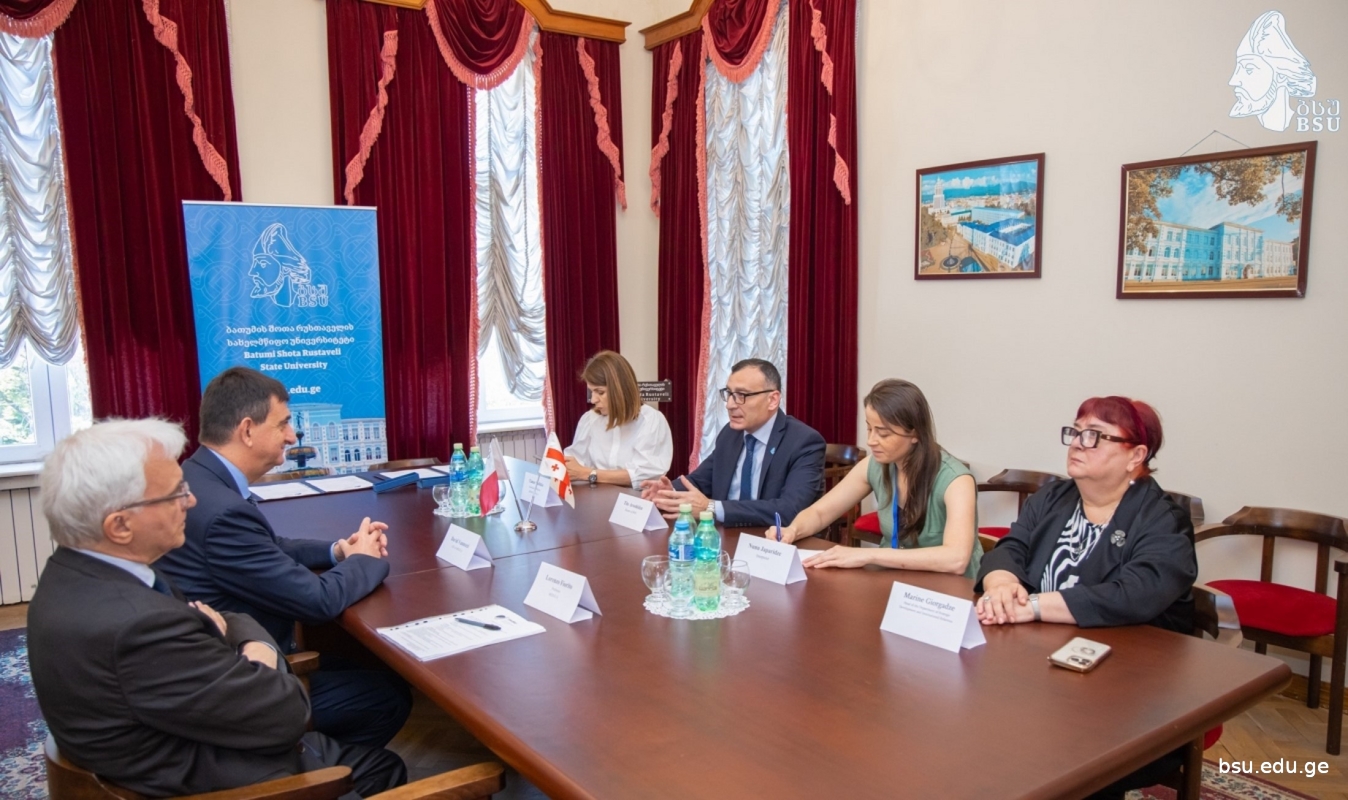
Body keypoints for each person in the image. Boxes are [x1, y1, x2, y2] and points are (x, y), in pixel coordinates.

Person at [27, 419, 406, 797]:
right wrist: (257, 650)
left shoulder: (71, 574)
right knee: (383, 766)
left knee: (379, 750)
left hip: (186, 742)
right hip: (235, 780)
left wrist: (227, 630)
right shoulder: (139, 625)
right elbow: (289, 715)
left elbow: (223, 620)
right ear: (120, 526)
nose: (190, 502)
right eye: (175, 494)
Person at [156, 367, 411, 749]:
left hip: (216, 656)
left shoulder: (199, 478)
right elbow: (318, 600)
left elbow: (266, 545)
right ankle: (310, 767)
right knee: (388, 695)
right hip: (242, 678)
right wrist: (365, 559)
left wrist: (337, 550)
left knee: (369, 668)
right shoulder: (222, 510)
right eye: (283, 424)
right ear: (247, 430)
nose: (292, 436)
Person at [976, 397, 1197, 800]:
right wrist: (1001, 583)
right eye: (1076, 432)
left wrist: (1032, 607)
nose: (1078, 443)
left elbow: (1133, 595)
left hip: (1132, 689)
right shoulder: (1054, 497)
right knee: (979, 719)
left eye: (1095, 435)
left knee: (1060, 755)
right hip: (1042, 665)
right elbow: (1012, 547)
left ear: (1136, 455)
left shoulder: (1162, 518)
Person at [786, 379, 981, 578]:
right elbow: (820, 513)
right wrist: (792, 530)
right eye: (869, 429)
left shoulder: (956, 480)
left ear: (915, 434)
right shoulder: (875, 465)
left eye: (883, 433)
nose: (871, 441)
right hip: (896, 580)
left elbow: (956, 559)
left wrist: (868, 555)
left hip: (949, 588)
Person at [640, 358, 824, 527]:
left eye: (741, 395)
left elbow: (789, 510)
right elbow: (700, 480)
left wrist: (712, 508)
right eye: (729, 394)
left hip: (772, 541)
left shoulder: (804, 442)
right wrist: (669, 491)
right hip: (725, 536)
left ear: (772, 400)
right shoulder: (730, 434)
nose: (730, 404)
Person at [564, 350, 673, 488]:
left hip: (636, 499)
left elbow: (644, 476)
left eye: (600, 392)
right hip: (597, 496)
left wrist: (588, 474)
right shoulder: (590, 420)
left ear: (619, 389)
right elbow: (575, 464)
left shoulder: (651, 421)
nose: (593, 400)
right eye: (591, 392)